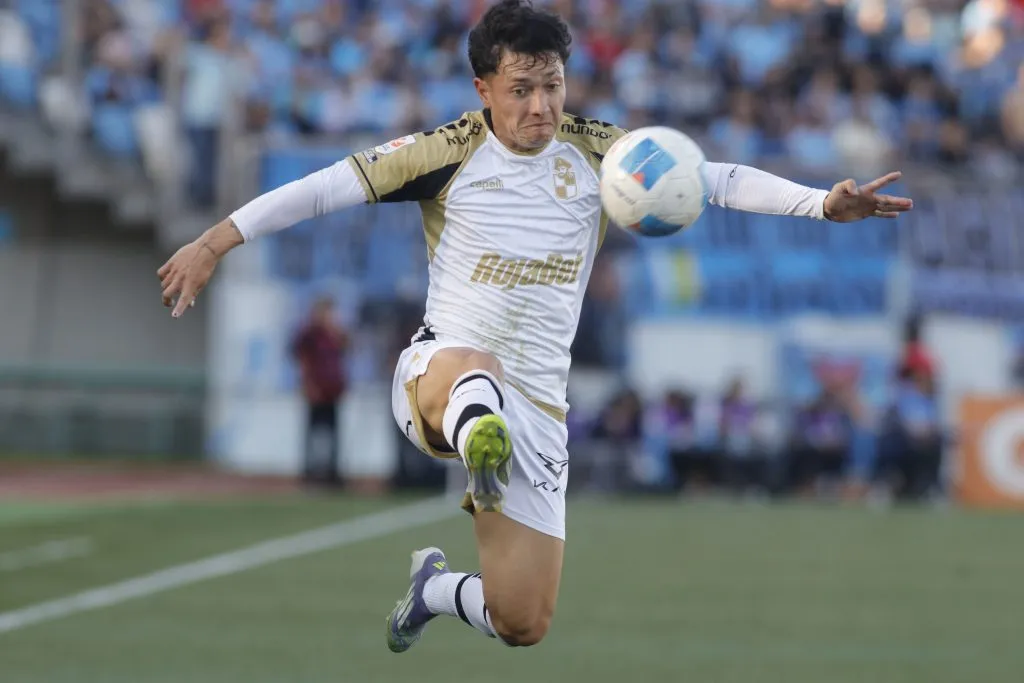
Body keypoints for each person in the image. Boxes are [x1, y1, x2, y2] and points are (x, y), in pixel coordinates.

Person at [157, 0, 913, 651]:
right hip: (437, 375)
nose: (539, 108)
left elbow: (715, 179)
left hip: (540, 411)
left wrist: (821, 202)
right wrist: (213, 240)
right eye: (520, 90)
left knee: (523, 619)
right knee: (475, 367)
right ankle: (480, 427)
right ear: (484, 87)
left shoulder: (600, 153)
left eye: (551, 86)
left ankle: (434, 587)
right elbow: (323, 189)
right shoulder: (443, 153)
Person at [290, 295, 349, 486]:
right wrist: (307, 385)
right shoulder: (310, 334)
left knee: (333, 432)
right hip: (316, 390)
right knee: (314, 432)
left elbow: (346, 348)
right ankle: (311, 472)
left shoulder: (334, 334)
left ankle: (331, 472)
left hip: (332, 391)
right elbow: (302, 359)